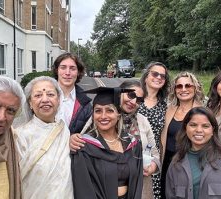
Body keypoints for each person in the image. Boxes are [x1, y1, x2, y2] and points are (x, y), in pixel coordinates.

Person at [166, 107, 221, 199]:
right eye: (193, 125)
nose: (199, 130)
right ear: (185, 128)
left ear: (213, 130)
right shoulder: (176, 163)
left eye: (205, 126)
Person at [71, 87, 144, 199]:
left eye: (110, 110)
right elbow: (84, 190)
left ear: (118, 114)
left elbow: (138, 182)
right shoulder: (84, 147)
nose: (103, 116)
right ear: (93, 115)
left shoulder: (133, 145)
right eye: (98, 111)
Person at [16, 76, 73, 199]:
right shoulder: (20, 135)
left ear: (58, 100)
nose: (45, 99)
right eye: (37, 96)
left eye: (50, 94)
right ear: (30, 103)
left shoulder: (64, 130)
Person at [160, 71, 204, 198]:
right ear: (175, 90)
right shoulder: (169, 110)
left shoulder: (202, 111)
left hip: (190, 163)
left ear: (195, 88)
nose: (183, 89)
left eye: (188, 86)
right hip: (167, 162)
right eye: (179, 86)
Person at [138, 61, 170, 198]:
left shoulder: (166, 105)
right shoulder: (133, 99)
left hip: (153, 159)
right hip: (129, 155)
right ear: (146, 76)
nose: (158, 77)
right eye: (155, 73)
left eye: (162, 76)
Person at [52, 53, 92, 136]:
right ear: (57, 70)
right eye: (63, 67)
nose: (67, 72)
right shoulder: (42, 97)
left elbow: (89, 134)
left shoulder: (86, 105)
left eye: (72, 68)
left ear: (78, 72)